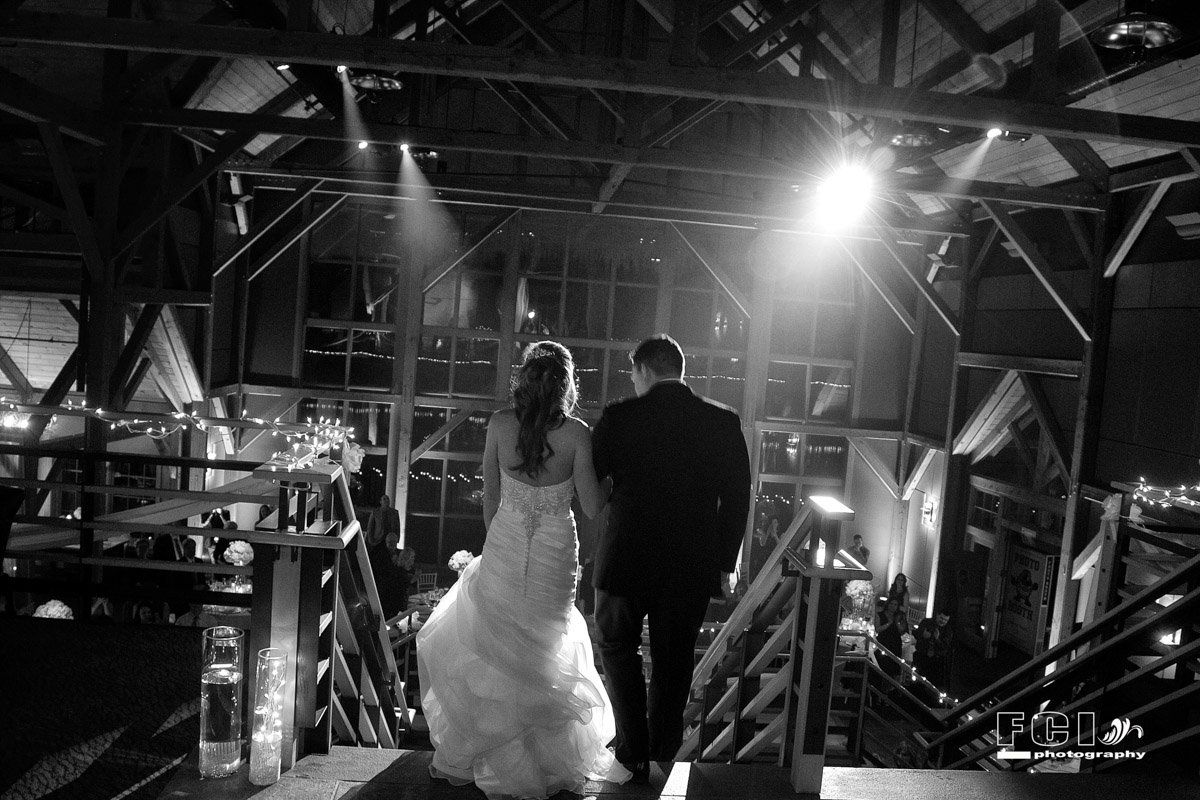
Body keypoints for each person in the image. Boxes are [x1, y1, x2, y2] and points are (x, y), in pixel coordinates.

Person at [417, 341, 630, 799]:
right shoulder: (576, 434)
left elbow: (490, 499)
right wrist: (614, 479)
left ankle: (494, 756)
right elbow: (592, 507)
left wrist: (503, 543)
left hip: (506, 542)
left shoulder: (498, 424)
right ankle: (545, 762)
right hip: (556, 549)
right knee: (544, 643)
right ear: (567, 385)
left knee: (498, 641)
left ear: (524, 380)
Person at [592, 334, 752, 779]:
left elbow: (595, 483)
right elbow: (738, 497)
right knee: (674, 658)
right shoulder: (722, 421)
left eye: (632, 372)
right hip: (689, 566)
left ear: (643, 369)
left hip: (625, 559)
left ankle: (631, 750)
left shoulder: (619, 417)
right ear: (679, 369)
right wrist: (725, 562)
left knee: (616, 646)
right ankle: (663, 750)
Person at [914, 611, 953, 686]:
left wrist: (937, 639)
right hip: (921, 656)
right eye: (941, 618)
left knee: (932, 683)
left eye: (946, 620)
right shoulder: (926, 622)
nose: (943, 621)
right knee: (917, 680)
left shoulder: (948, 630)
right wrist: (923, 635)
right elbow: (915, 633)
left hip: (936, 661)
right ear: (937, 615)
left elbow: (945, 646)